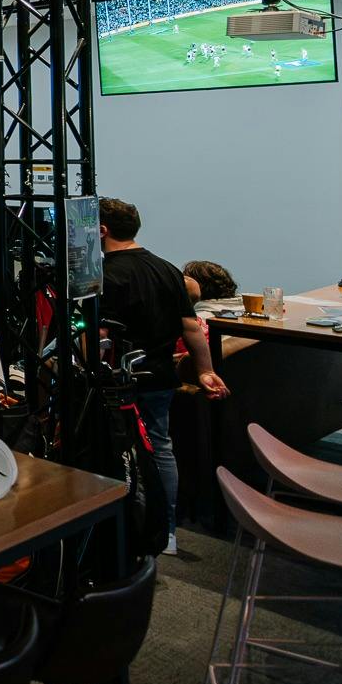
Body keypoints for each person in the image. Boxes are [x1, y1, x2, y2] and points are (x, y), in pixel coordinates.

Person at [98, 197, 229, 555]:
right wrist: (206, 371)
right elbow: (190, 327)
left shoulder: (107, 274)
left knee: (109, 450)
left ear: (102, 230)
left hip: (118, 383)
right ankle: (165, 532)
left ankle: (121, 529)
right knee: (159, 450)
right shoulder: (168, 270)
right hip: (159, 378)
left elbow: (100, 336)